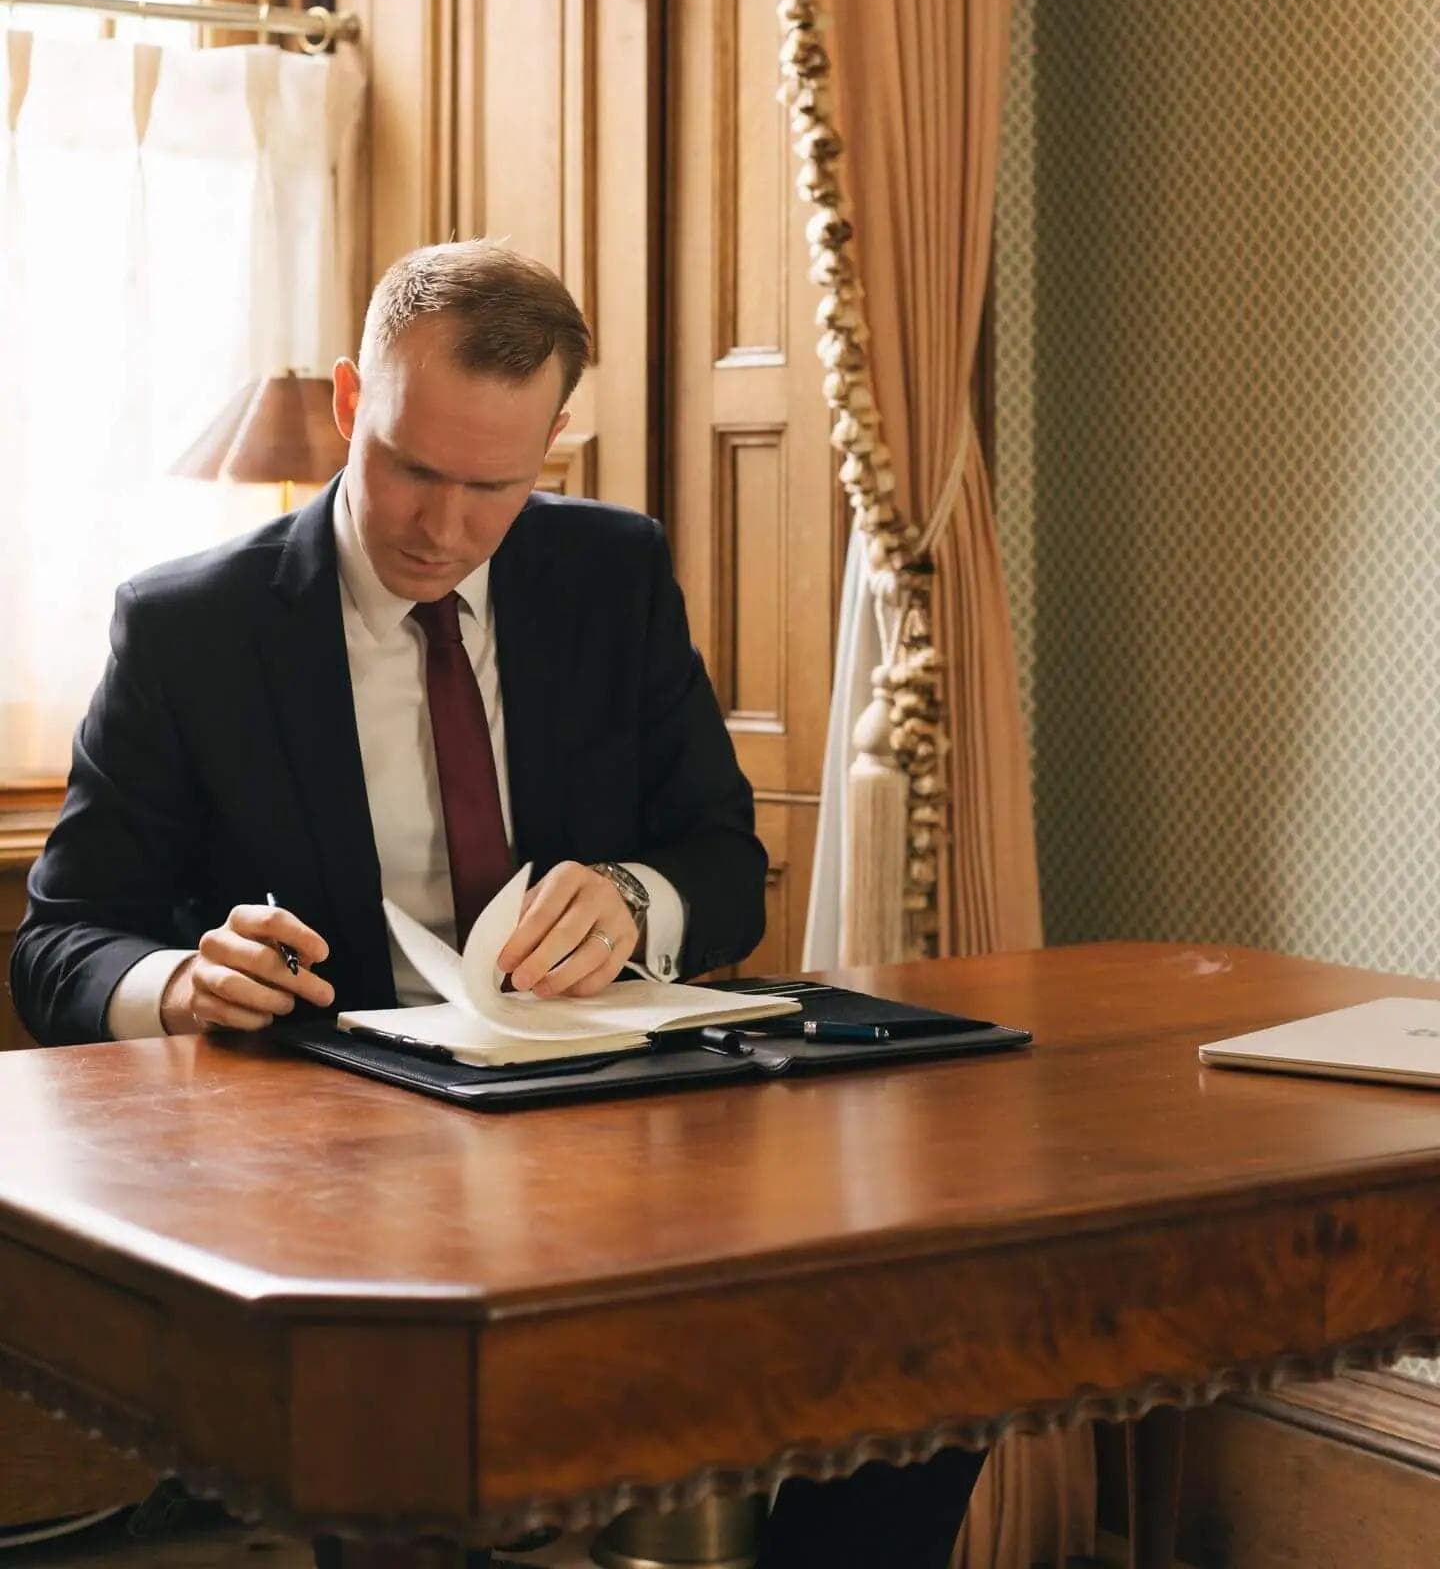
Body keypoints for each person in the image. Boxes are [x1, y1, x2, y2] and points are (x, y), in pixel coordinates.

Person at [11, 238, 981, 1567]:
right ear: (353, 402)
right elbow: (60, 942)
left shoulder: (609, 574)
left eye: (495, 486)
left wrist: (635, 903)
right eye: (412, 467)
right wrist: (179, 982)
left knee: (929, 1344)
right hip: (334, 1180)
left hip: (612, 1143)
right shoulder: (194, 628)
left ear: (554, 449)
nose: (444, 528)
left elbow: (718, 855)